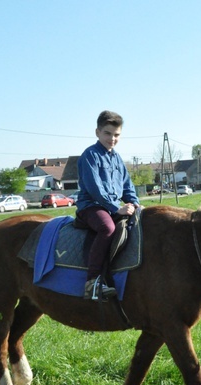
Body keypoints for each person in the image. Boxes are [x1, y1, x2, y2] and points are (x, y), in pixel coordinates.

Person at [76, 110, 139, 300]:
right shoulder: (90, 155)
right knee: (107, 228)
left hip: (112, 206)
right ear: (98, 132)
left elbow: (127, 185)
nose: (112, 138)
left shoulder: (117, 159)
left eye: (117, 135)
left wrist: (134, 203)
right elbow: (95, 189)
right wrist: (115, 208)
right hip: (92, 206)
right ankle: (92, 282)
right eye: (107, 133)